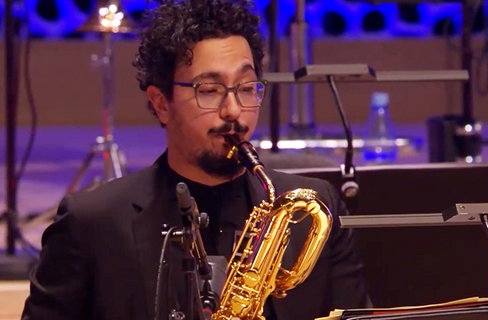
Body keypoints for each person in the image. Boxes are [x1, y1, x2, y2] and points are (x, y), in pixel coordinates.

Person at [21, 0, 369, 319]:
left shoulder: (313, 210)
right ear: (160, 103)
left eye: (247, 88)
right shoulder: (91, 224)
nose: (234, 111)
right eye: (210, 90)